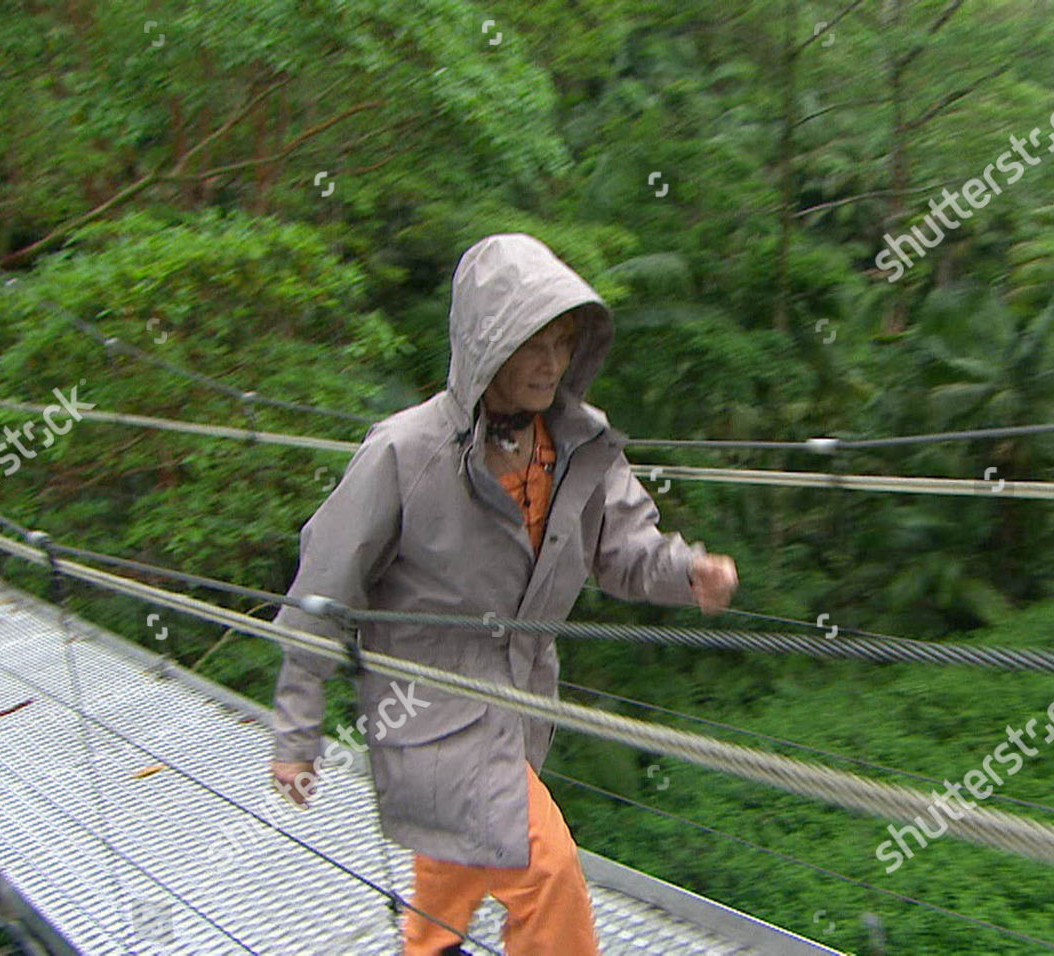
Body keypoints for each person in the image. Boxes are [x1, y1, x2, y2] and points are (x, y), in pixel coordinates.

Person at [268, 233, 739, 955]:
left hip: (521, 701)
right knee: (542, 868)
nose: (550, 363)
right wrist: (298, 732)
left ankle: (427, 946)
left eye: (562, 342)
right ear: (487, 344)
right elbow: (324, 587)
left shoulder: (580, 446)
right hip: (427, 705)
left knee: (459, 857)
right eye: (530, 344)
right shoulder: (404, 452)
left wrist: (688, 571)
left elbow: (623, 550)